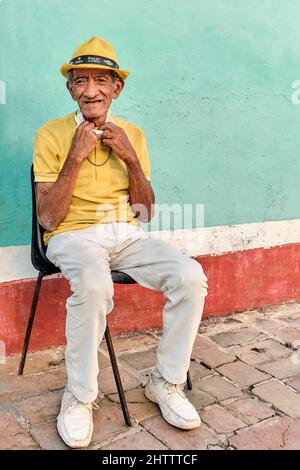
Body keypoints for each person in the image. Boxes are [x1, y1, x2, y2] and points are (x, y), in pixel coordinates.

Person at [33, 36, 208, 448]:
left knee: (189, 276)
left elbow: (144, 212)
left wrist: (130, 157)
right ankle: (79, 396)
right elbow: (47, 218)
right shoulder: (50, 135)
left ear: (117, 87)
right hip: (70, 235)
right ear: (70, 89)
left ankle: (166, 382)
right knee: (95, 286)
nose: (90, 90)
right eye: (80, 81)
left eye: (100, 80)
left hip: (125, 233)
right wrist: (75, 156)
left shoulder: (134, 135)